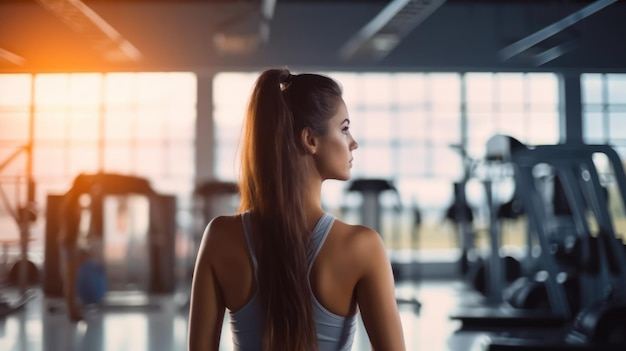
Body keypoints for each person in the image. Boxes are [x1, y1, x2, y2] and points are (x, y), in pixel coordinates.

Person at [188, 68, 405, 351]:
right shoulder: (362, 247)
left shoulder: (220, 236)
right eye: (344, 128)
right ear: (310, 140)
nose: (353, 142)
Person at [58, 172, 156, 321]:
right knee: (70, 280)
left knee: (71, 280)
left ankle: (73, 310)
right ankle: (72, 312)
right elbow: (74, 228)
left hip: (69, 243)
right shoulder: (74, 202)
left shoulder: (73, 200)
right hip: (69, 244)